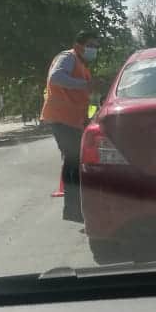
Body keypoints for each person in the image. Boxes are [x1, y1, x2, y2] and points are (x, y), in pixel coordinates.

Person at [40, 30, 99, 223]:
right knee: (73, 160)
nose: (93, 49)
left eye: (96, 46)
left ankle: (74, 209)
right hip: (60, 118)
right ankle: (73, 209)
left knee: (74, 161)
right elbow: (55, 77)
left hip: (72, 120)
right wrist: (84, 84)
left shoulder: (81, 64)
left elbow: (84, 97)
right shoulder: (68, 57)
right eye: (91, 45)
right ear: (78, 44)